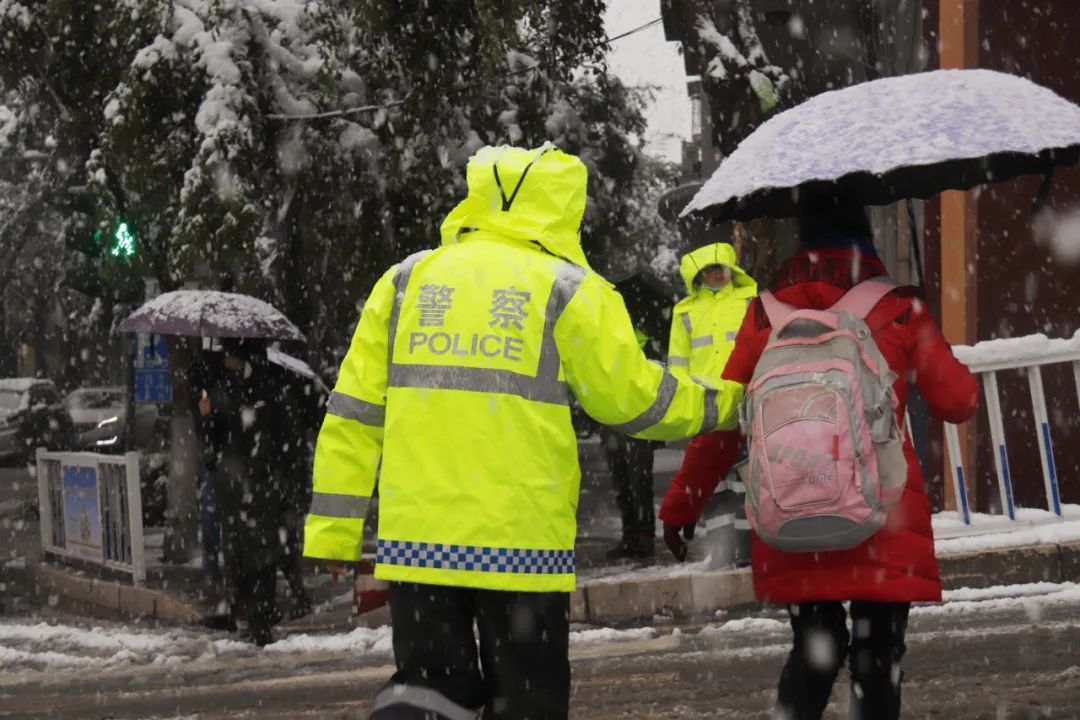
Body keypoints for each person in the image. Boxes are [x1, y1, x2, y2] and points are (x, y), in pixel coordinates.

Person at [303, 143, 744, 720]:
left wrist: (333, 530)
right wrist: (730, 404)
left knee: (431, 696)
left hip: (419, 547)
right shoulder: (568, 289)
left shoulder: (405, 283)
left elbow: (354, 415)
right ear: (561, 207)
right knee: (527, 703)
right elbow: (637, 401)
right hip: (522, 548)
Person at [658, 195, 978, 720]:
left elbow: (724, 428)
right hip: (883, 516)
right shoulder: (897, 305)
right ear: (865, 234)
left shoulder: (764, 315)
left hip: (792, 510)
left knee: (813, 649)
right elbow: (958, 401)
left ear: (802, 237)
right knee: (877, 661)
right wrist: (923, 331)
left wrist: (680, 507)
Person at [665, 241, 758, 565]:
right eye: (709, 270)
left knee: (749, 476)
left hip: (747, 398)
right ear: (698, 274)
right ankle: (722, 549)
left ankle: (748, 550)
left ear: (731, 269)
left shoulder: (751, 299)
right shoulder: (685, 312)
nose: (716, 275)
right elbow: (677, 362)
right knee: (714, 481)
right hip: (706, 405)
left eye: (720, 268)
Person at [600, 323, 662, 559]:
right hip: (613, 421)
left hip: (636, 423)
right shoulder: (606, 339)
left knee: (639, 483)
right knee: (622, 483)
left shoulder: (643, 342)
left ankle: (644, 537)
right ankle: (630, 536)